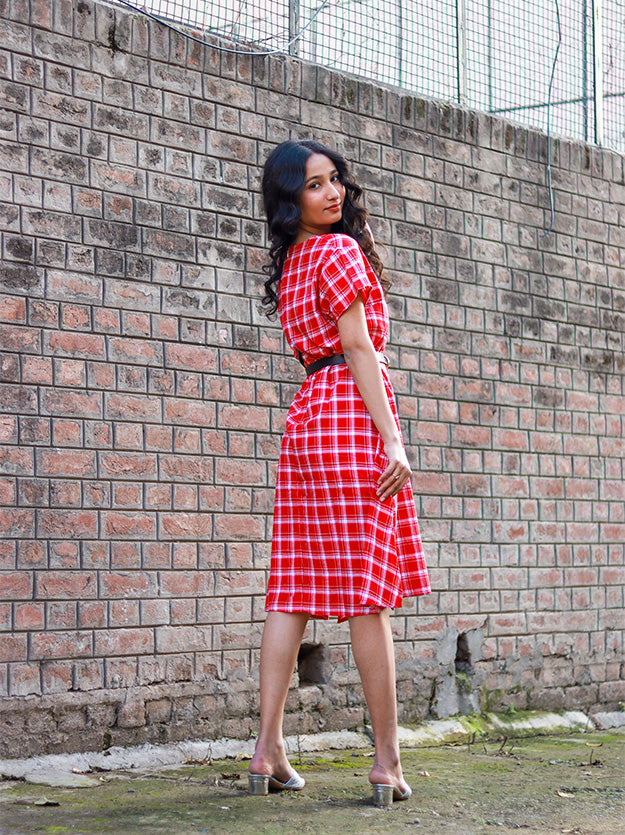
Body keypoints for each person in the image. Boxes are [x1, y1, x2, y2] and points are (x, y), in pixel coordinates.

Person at [248, 139, 430, 806]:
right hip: (350, 416)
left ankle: (265, 747)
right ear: (289, 196)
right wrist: (393, 441)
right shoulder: (338, 252)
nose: (331, 194)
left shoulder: (294, 260)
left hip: (305, 420)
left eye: (335, 182)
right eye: (315, 185)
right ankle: (385, 760)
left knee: (292, 585)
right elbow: (356, 345)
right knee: (366, 593)